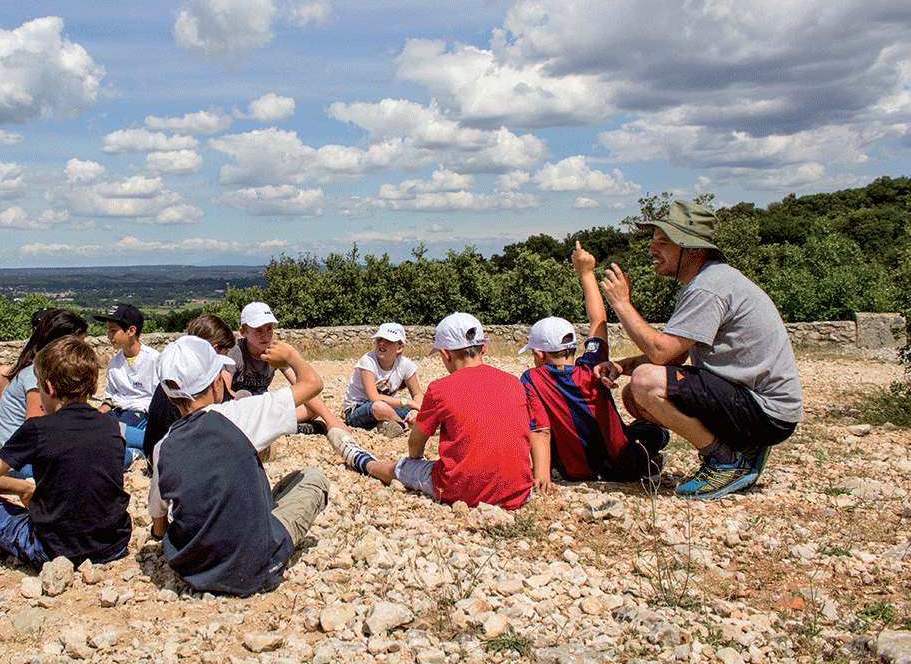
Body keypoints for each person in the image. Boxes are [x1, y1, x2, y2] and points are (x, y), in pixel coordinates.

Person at [597, 200, 803, 499]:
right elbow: (676, 354)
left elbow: (660, 354)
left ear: (693, 249)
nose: (653, 251)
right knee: (633, 396)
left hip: (766, 412)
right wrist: (620, 365)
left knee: (645, 383)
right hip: (759, 405)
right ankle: (743, 448)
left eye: (663, 243)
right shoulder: (706, 281)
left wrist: (621, 304)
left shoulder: (709, 286)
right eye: (654, 243)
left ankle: (725, 461)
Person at [149, 335, 329, 596]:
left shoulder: (162, 447)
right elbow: (313, 385)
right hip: (254, 567)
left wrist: (161, 534)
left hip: (195, 571)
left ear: (167, 392)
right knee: (311, 478)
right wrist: (291, 356)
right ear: (216, 383)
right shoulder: (240, 415)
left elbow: (158, 517)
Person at [329, 312, 547, 510]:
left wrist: (415, 459)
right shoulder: (514, 383)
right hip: (519, 491)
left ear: (446, 354)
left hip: (460, 491)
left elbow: (415, 445)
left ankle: (364, 462)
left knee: (404, 468)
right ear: (484, 347)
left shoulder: (440, 388)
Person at [0, 335, 131, 569]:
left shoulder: (37, 429)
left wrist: (21, 487)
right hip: (113, 545)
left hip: (54, 550)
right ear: (93, 386)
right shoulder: (110, 425)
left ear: (48, 387)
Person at [520, 242, 669, 491]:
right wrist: (586, 273)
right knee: (654, 432)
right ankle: (648, 462)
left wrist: (542, 476)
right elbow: (598, 320)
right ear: (575, 348)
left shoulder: (532, 379)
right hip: (625, 466)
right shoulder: (593, 367)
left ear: (538, 354)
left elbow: (541, 428)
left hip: (573, 471)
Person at [227, 301, 347, 434]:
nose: (265, 336)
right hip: (239, 408)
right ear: (243, 332)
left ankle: (272, 427)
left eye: (269, 329)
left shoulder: (275, 351)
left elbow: (304, 384)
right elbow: (225, 392)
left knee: (313, 408)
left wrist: (330, 420)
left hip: (264, 409)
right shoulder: (235, 352)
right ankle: (285, 427)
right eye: (258, 331)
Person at [0, 308, 88, 458]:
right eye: (78, 344)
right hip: (20, 458)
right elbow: (36, 427)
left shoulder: (40, 366)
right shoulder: (35, 374)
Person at [141, 313, 235, 462]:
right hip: (181, 460)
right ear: (214, 349)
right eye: (226, 352)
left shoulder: (168, 379)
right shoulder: (205, 385)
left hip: (154, 456)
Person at [94, 304, 156, 465]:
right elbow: (110, 398)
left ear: (131, 331)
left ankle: (137, 451)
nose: (109, 336)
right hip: (117, 413)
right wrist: (100, 414)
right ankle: (132, 451)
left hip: (139, 414)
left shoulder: (153, 360)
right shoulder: (114, 364)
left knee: (114, 433)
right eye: (108, 330)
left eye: (113, 330)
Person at [342, 322, 424, 437]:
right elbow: (373, 398)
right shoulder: (368, 360)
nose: (382, 343)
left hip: (387, 408)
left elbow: (418, 394)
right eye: (379, 339)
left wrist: (416, 411)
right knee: (380, 407)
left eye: (388, 341)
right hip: (357, 410)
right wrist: (408, 402)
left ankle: (391, 423)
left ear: (400, 348)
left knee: (429, 410)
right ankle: (403, 426)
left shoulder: (405, 364)